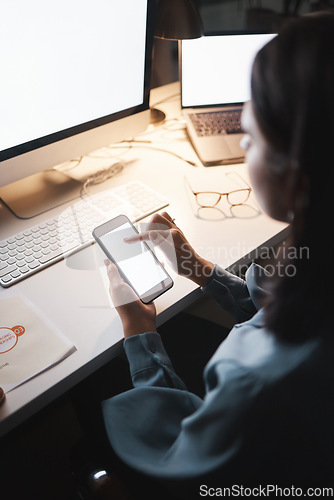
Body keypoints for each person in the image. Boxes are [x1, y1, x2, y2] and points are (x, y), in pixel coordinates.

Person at [75, 13, 334, 498]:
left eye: (251, 136)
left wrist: (139, 329)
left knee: (84, 385)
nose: (241, 145)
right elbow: (274, 312)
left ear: (298, 167)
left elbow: (179, 458)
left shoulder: (258, 382)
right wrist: (197, 268)